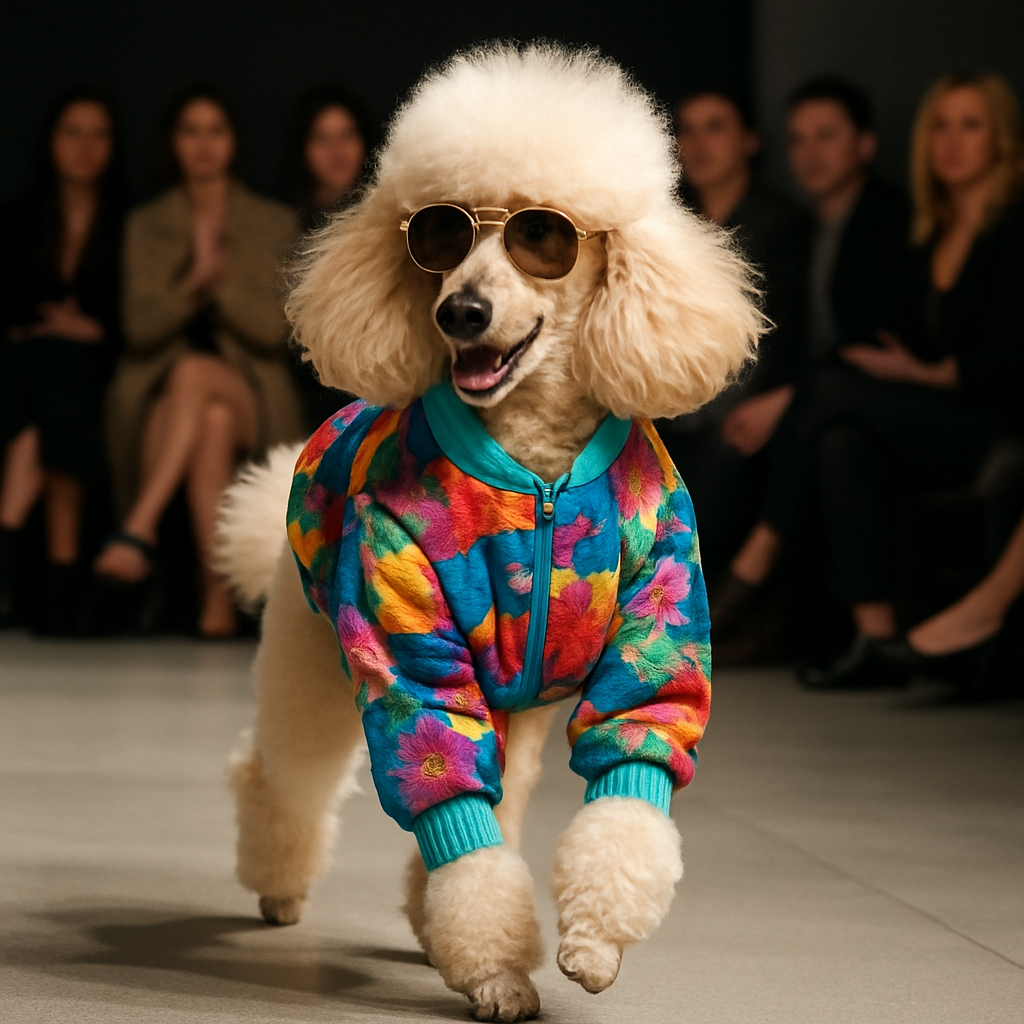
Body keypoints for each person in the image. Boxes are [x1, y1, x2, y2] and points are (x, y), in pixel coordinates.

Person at [736, 72, 1024, 688]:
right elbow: (885, 337)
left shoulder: (1013, 230)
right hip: (934, 418)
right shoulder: (927, 231)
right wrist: (910, 371)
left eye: (971, 125)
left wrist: (926, 373)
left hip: (998, 424)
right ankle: (877, 638)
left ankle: (757, 558)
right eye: (940, 126)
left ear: (1001, 138)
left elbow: (1007, 363)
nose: (951, 141)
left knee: (828, 388)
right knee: (842, 441)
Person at [97, 85, 304, 637]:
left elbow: (271, 330)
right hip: (161, 400)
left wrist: (218, 282)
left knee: (195, 378)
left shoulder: (271, 220)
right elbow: (140, 329)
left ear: (234, 142)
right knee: (209, 420)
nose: (204, 143)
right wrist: (191, 281)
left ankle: (139, 527)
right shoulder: (148, 222)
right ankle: (218, 595)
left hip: (254, 392)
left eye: (216, 130)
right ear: (173, 142)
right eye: (190, 131)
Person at [713, 77, 911, 650]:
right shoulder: (806, 229)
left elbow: (868, 347)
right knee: (828, 444)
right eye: (798, 139)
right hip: (829, 403)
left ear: (866, 145)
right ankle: (861, 637)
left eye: (827, 135)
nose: (811, 152)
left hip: (892, 393)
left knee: (794, 420)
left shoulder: (891, 221)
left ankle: (751, 567)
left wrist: (788, 398)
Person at [660, 88, 808, 582]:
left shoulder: (782, 224)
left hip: (745, 398)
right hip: (671, 399)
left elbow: (786, 336)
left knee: (718, 460)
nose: (698, 143)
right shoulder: (668, 222)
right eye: (687, 129)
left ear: (750, 140)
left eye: (715, 127)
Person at [0, 91, 125, 632]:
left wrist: (91, 330)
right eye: (72, 132)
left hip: (99, 368)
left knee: (54, 385)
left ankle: (10, 535)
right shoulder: (18, 217)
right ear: (50, 141)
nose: (84, 146)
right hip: (25, 365)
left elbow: (134, 318)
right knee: (50, 367)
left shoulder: (128, 221)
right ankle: (63, 565)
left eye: (98, 134)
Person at [282, 86, 370, 428]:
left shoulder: (389, 220)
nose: (337, 151)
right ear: (303, 148)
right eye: (322, 138)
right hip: (308, 380)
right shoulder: (284, 227)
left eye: (347, 135)